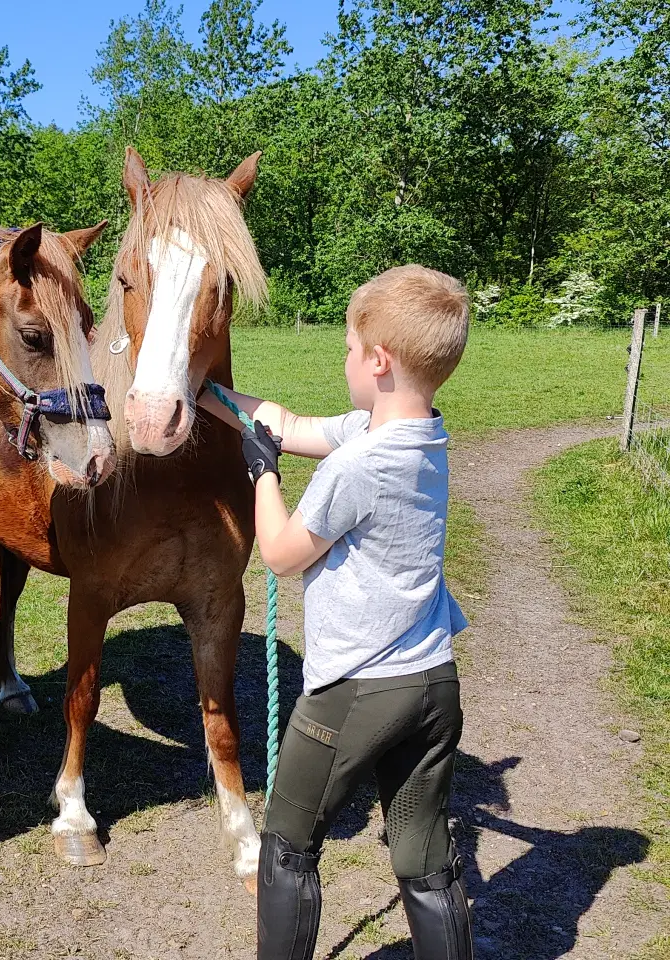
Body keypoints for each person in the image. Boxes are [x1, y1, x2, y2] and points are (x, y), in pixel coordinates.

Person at [200, 265, 474, 960]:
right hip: (433, 683)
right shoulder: (424, 437)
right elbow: (284, 423)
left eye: (349, 349)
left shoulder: (357, 467)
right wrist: (201, 393)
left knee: (288, 845)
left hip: (357, 691)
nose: (344, 359)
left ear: (378, 361)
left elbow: (284, 554)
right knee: (423, 855)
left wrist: (262, 474)